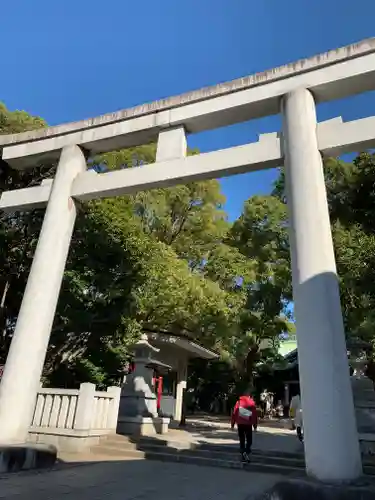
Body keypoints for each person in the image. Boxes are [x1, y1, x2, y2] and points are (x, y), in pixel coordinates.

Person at [231, 389, 258, 462]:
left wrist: (232, 424)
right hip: (248, 423)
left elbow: (234, 413)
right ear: (249, 396)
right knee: (249, 439)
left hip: (240, 423)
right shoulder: (252, 402)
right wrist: (255, 426)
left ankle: (243, 452)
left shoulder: (238, 402)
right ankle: (247, 451)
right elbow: (254, 415)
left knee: (242, 438)